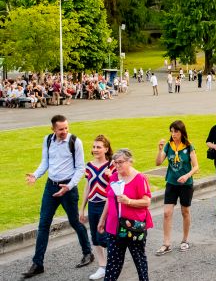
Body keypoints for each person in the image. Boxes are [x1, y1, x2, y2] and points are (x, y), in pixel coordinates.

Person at [23, 115, 94, 279]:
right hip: (51, 187)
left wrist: (68, 186)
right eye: (61, 129)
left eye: (66, 128)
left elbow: (80, 168)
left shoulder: (75, 141)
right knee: (43, 224)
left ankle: (88, 252)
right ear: (53, 129)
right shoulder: (47, 140)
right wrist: (35, 175)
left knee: (74, 221)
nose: (64, 131)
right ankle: (38, 263)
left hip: (68, 188)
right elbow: (45, 162)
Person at [97, 148, 153, 281]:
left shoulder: (139, 178)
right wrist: (102, 220)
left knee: (139, 260)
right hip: (114, 227)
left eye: (120, 162)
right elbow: (109, 199)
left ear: (130, 161)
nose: (117, 165)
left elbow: (147, 201)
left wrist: (129, 201)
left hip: (133, 227)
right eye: (115, 162)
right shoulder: (114, 176)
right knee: (113, 264)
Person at [154, 120, 199, 255]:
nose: (173, 134)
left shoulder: (189, 146)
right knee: (167, 213)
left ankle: (185, 240)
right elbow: (158, 162)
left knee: (185, 211)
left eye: (176, 131)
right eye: (172, 131)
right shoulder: (169, 145)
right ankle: (166, 243)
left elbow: (196, 167)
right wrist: (160, 150)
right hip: (171, 183)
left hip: (186, 184)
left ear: (182, 132)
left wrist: (187, 175)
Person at [80, 135, 115, 280]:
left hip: (107, 205)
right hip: (93, 205)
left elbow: (116, 186)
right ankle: (102, 266)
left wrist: (111, 175)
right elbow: (88, 187)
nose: (95, 149)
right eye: (94, 147)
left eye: (99, 147)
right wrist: (82, 208)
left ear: (106, 149)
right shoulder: (88, 166)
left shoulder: (112, 166)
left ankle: (113, 264)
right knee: (95, 237)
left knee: (106, 237)